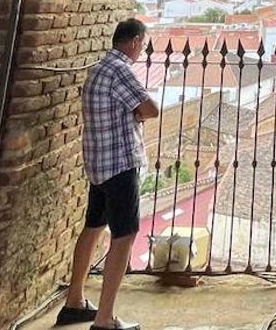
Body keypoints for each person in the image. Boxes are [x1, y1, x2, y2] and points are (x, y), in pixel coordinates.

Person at [56, 18, 159, 330]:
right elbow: (151, 108)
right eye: (142, 44)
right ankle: (105, 318)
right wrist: (137, 113)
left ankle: (74, 301)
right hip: (120, 162)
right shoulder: (121, 70)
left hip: (99, 163)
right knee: (124, 235)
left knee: (93, 227)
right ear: (134, 41)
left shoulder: (99, 68)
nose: (141, 50)